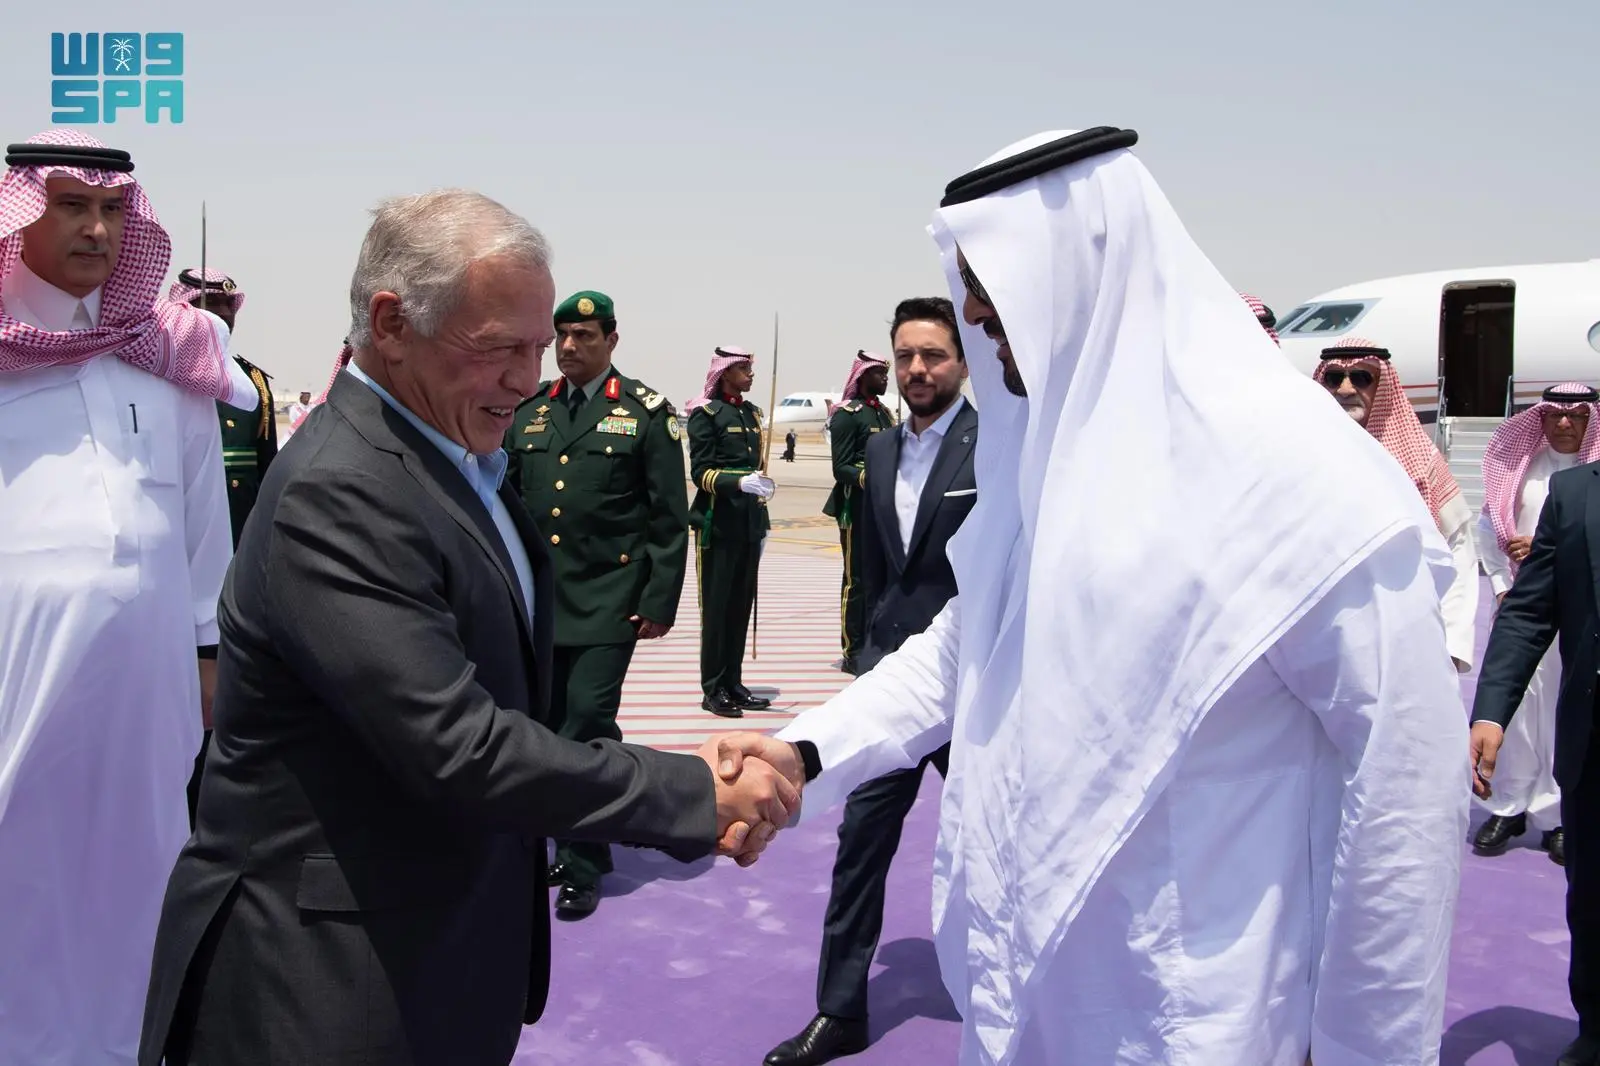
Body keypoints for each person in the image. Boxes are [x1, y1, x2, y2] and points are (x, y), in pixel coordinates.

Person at [729, 127, 1470, 1065]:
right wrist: (805, 752)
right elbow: (969, 645)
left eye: (995, 300)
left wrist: (1373, 1051)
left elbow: (1405, 786)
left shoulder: (1300, 476)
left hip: (1193, 1013)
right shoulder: (1048, 457)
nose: (981, 328)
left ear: (1075, 280)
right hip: (1026, 990)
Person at [137, 189, 798, 1066]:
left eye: (537, 348)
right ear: (392, 323)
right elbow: (456, 745)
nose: (528, 378)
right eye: (499, 349)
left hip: (434, 957)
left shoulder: (452, 457)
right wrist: (690, 792)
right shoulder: (341, 490)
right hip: (326, 988)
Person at [0, 129, 255, 1066]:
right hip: (18, 674)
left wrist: (209, 654)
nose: (97, 229)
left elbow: (202, 523)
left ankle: (126, 1045)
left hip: (148, 686)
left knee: (141, 868)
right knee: (19, 869)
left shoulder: (172, 349)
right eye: (71, 206)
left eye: (113, 210)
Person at [765, 296, 976, 1066]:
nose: (918, 369)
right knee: (860, 844)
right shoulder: (880, 451)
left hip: (973, 687)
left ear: (962, 363)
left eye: (934, 355)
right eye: (906, 356)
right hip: (893, 685)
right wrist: (864, 661)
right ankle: (840, 1009)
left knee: (993, 846)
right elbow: (875, 572)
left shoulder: (995, 448)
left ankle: (1015, 1002)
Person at [504, 289, 689, 919]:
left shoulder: (644, 413)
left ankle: (583, 863)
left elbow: (668, 517)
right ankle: (574, 842)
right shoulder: (532, 410)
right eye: (562, 336)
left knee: (584, 722)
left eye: (584, 336)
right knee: (546, 726)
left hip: (610, 602)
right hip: (540, 603)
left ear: (611, 340)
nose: (569, 346)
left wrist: (658, 598)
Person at [1472, 433, 1600, 1066]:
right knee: (1595, 901)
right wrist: (1492, 710)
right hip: (1595, 744)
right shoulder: (1575, 496)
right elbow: (1529, 612)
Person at [166, 265, 279, 827]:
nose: (219, 315)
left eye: (227, 305)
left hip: (239, 568)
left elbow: (268, 476)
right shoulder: (162, 371)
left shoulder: (251, 383)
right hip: (175, 572)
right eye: (207, 304)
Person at [1472, 382, 1600, 864]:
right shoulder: (1520, 470)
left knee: (1564, 712)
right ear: (1540, 419)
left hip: (1581, 614)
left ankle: (1556, 815)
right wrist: (1503, 584)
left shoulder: (1591, 477)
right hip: (1524, 606)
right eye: (1554, 415)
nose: (1564, 423)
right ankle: (1509, 805)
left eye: (1577, 416)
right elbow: (1489, 530)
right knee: (1519, 709)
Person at [1315, 336, 1480, 671]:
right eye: (1334, 378)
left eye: (1361, 378)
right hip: (1318, 634)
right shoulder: (1303, 454)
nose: (1345, 389)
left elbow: (1458, 549)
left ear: (1382, 386)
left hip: (1402, 631)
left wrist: (1451, 641)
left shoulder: (1420, 462)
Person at [686, 346, 774, 717]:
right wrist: (739, 482)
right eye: (744, 369)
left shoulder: (752, 414)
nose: (751, 375)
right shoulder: (706, 415)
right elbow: (701, 473)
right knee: (717, 610)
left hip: (749, 523)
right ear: (725, 373)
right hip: (717, 524)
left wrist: (760, 493)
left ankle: (733, 683)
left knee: (740, 608)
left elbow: (757, 466)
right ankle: (713, 688)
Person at [823, 350, 895, 675]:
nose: (885, 379)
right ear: (863, 376)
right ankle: (853, 651)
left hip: (883, 507)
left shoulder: (883, 415)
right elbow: (841, 467)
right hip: (857, 507)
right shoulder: (847, 415)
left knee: (882, 579)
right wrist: (874, 476)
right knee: (858, 581)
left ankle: (876, 646)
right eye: (879, 373)